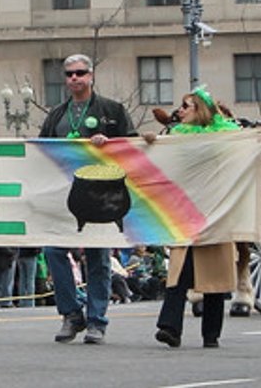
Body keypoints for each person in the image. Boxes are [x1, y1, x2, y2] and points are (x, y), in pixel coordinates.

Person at [39, 53, 133, 345]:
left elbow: (133, 146)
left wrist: (111, 144)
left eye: (79, 73)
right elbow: (40, 150)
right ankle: (71, 314)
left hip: (103, 195)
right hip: (65, 193)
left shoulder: (112, 110)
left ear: (91, 75)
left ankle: (96, 321)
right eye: (69, 74)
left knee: (98, 259)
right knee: (53, 251)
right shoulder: (57, 114)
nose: (74, 79)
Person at [151, 87, 242, 349]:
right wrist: (151, 142)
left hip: (215, 210)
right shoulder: (176, 136)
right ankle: (170, 328)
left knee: (214, 274)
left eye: (186, 106)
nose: (179, 110)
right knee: (178, 272)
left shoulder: (226, 137)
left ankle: (211, 334)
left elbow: (243, 153)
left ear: (199, 110)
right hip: (185, 211)